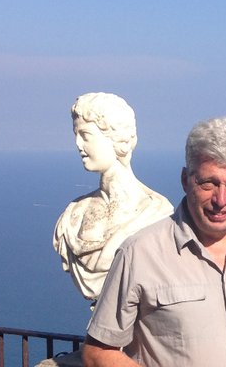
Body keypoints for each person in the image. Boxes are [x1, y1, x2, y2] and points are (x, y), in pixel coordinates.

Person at [82, 116, 226, 367]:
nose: (221, 199)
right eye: (209, 183)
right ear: (185, 180)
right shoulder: (139, 253)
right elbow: (98, 352)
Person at [53, 92, 173, 300]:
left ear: (116, 139)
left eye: (85, 135)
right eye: (76, 135)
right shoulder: (73, 215)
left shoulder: (157, 214)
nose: (78, 144)